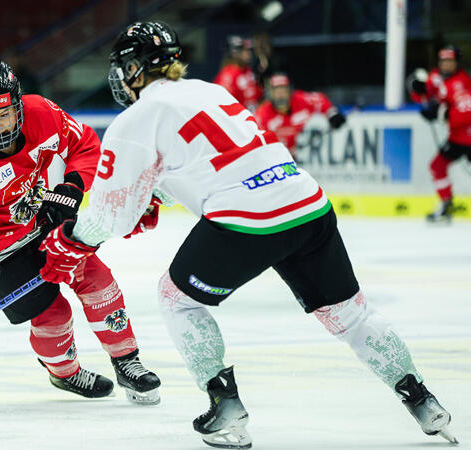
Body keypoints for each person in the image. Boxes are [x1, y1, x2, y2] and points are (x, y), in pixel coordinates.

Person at [38, 21, 457, 448]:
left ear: (134, 69)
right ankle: (424, 403)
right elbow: (214, 160)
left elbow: (112, 216)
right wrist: (155, 195)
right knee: (350, 315)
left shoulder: (135, 119)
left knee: (176, 298)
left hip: (246, 220)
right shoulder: (210, 91)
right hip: (307, 204)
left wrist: (71, 241)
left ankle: (226, 408)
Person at [0, 61, 161, 404]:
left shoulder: (44, 114)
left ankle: (127, 361)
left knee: (96, 278)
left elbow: (84, 145)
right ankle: (65, 374)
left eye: (4, 115)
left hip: (41, 222)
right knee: (53, 313)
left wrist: (71, 187)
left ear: (19, 106)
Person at [408, 44, 471, 222]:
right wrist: (418, 90)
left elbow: (466, 111)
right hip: (457, 137)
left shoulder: (461, 82)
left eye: (450, 61)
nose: (446, 64)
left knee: (438, 165)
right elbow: (427, 96)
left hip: (466, 136)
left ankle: (446, 205)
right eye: (443, 61)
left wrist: (440, 112)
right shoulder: (436, 76)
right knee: (438, 166)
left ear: (457, 62)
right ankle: (446, 205)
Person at [255, 72, 346, 159]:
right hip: (278, 159)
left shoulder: (302, 100)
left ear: (289, 91)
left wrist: (332, 114)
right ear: (270, 93)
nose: (280, 95)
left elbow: (321, 100)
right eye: (276, 91)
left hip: (306, 155)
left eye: (283, 90)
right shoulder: (262, 114)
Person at [213, 35, 263, 112]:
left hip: (252, 115)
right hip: (238, 118)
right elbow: (222, 103)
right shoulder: (228, 75)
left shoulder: (248, 70)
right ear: (235, 53)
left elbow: (257, 94)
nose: (249, 53)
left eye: (249, 50)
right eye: (245, 50)